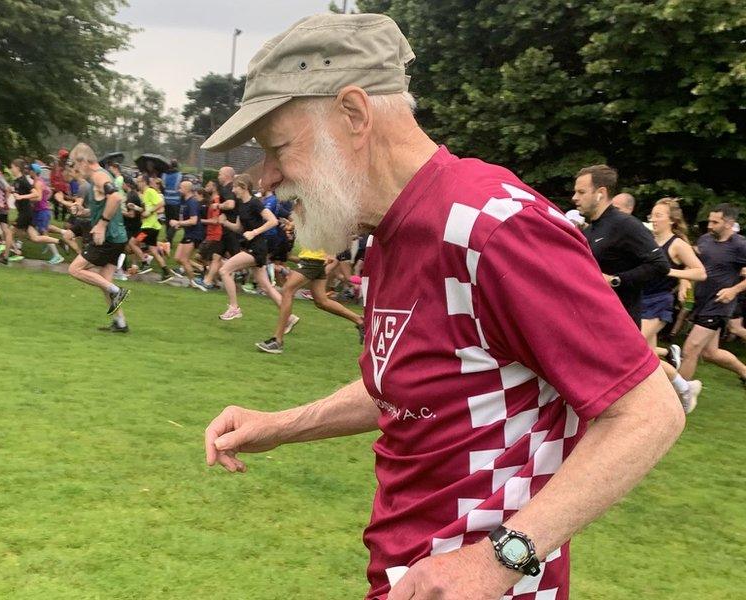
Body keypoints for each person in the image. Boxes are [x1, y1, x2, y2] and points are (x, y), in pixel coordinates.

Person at [201, 14, 683, 600]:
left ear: (353, 114)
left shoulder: (495, 229)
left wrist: (500, 558)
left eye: (278, 148)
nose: (268, 176)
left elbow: (649, 410)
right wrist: (280, 426)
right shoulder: (389, 231)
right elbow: (417, 384)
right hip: (407, 578)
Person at [572, 165, 670, 325]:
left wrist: (615, 280)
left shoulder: (625, 224)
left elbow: (660, 265)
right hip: (594, 320)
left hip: (621, 324)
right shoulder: (589, 231)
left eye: (581, 192)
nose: (574, 197)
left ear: (601, 193)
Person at [642, 198, 707, 412]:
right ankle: (685, 387)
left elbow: (700, 272)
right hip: (640, 300)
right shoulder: (647, 239)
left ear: (672, 220)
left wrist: (672, 273)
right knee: (647, 357)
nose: (654, 218)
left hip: (659, 302)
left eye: (659, 215)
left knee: (632, 348)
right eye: (653, 214)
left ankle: (680, 385)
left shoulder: (677, 244)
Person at [678, 203, 746, 387]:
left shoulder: (740, 245)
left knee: (690, 348)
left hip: (718, 305)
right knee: (710, 353)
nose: (710, 225)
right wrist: (684, 282)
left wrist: (734, 290)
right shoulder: (705, 240)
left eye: (715, 222)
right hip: (701, 301)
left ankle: (679, 395)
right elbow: (692, 264)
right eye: (710, 221)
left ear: (729, 223)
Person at [66, 143, 130, 332]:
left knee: (75, 269)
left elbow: (116, 198)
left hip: (108, 237)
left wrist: (101, 225)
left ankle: (117, 291)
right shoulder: (99, 177)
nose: (77, 171)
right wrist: (82, 211)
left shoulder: (98, 176)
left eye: (76, 166)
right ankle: (121, 323)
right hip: (117, 237)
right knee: (104, 280)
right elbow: (101, 207)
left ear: (84, 161)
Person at [256, 249, 365, 354]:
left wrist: (332, 254)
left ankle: (277, 341)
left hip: (313, 259)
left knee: (287, 290)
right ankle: (360, 321)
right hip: (314, 259)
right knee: (321, 301)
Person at [215, 174, 292, 321]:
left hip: (257, 248)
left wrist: (254, 232)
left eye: (235, 187)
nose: (233, 190)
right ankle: (289, 318)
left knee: (224, 270)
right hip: (251, 247)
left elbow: (273, 221)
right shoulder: (241, 205)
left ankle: (234, 308)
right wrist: (225, 223)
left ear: (243, 187)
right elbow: (239, 228)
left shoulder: (255, 203)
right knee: (266, 287)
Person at [9, 159, 64, 263]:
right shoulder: (37, 182)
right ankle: (18, 248)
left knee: (43, 232)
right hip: (38, 210)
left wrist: (23, 198)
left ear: (33, 171)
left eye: (29, 170)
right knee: (32, 233)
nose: (28, 172)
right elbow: (48, 192)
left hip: (41, 211)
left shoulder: (38, 183)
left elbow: (38, 197)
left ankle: (57, 254)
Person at [136, 175, 173, 281]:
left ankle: (145, 262)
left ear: (144, 182)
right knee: (153, 249)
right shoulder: (144, 194)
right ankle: (166, 272)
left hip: (149, 227)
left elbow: (161, 203)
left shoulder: (150, 191)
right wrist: (136, 208)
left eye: (139, 181)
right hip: (152, 227)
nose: (137, 183)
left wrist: (150, 211)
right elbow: (145, 211)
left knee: (133, 243)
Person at [191, 181, 226, 291]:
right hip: (211, 234)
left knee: (207, 258)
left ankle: (229, 271)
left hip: (215, 234)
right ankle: (213, 281)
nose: (206, 187)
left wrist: (200, 221)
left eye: (208, 185)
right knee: (209, 259)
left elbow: (216, 221)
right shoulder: (212, 200)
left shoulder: (216, 201)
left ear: (214, 187)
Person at [169, 180, 203, 281]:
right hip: (188, 233)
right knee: (177, 258)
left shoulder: (192, 202)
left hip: (194, 234)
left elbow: (193, 221)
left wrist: (178, 223)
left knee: (184, 259)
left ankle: (193, 283)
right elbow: (187, 221)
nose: (179, 190)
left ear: (186, 189)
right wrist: (179, 225)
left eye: (181, 188)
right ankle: (200, 267)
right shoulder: (185, 202)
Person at [162, 160, 182, 244]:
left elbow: (163, 186)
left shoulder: (164, 175)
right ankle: (168, 238)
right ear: (176, 166)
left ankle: (168, 240)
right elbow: (179, 187)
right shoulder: (179, 175)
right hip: (176, 201)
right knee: (175, 221)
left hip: (166, 201)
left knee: (167, 221)